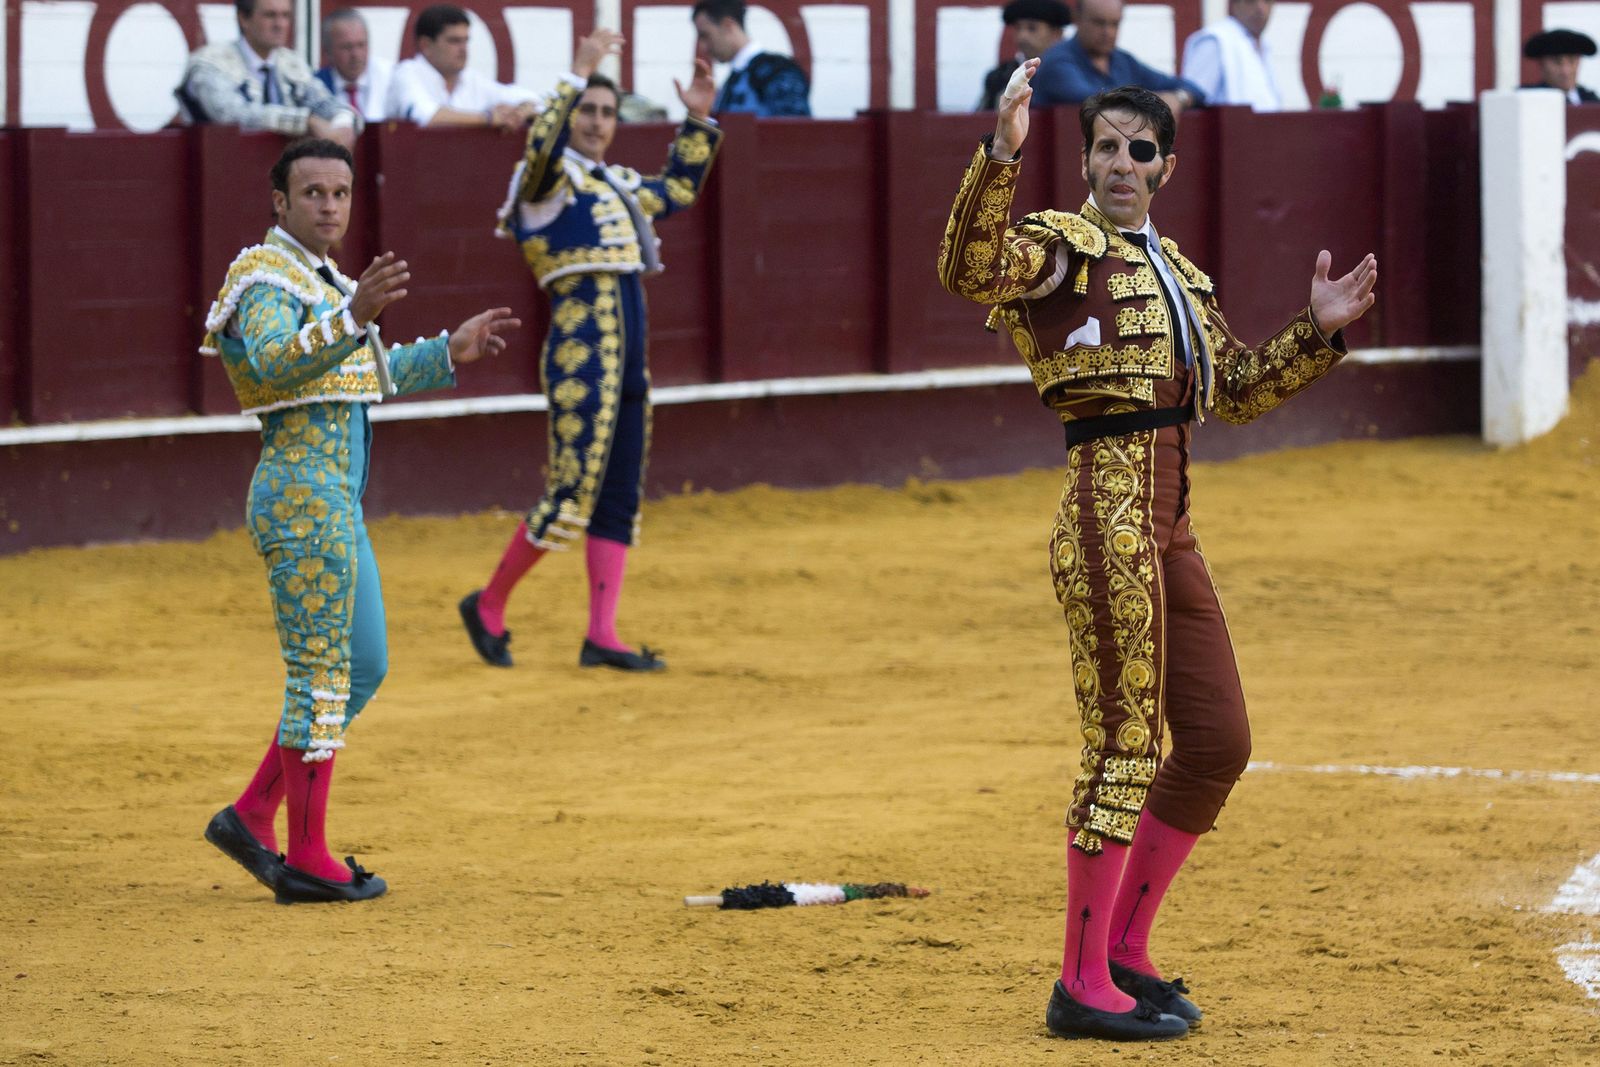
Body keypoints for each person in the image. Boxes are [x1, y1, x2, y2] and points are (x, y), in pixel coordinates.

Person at [937, 64, 1376, 1040]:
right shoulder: (1059, 249)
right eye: (1105, 147)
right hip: (1103, 515)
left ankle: (1124, 951)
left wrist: (1318, 331)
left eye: (1140, 149)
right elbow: (968, 268)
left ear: (1165, 167)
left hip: (1170, 524)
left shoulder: (1177, 270)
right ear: (1086, 158)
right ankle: (1077, 980)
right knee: (1124, 745)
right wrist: (1000, 154)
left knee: (1217, 741)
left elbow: (1237, 391)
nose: (1122, 162)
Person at [201, 138, 519, 903]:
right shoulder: (264, 278)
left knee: (362, 666)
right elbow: (276, 362)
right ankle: (306, 854)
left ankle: (252, 813)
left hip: (334, 496)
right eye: (312, 192)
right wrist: (352, 313)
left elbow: (361, 376)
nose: (330, 206)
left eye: (340, 193)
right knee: (320, 673)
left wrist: (449, 349)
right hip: (300, 493)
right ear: (280, 202)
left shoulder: (324, 282)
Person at [459, 30, 722, 673]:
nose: (599, 123)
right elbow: (542, 142)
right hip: (582, 347)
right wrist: (576, 75)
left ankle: (601, 635)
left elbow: (680, 192)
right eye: (589, 111)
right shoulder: (543, 182)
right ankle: (488, 604)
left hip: (630, 347)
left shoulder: (616, 183)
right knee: (571, 488)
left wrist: (696, 118)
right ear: (570, 114)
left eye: (607, 112)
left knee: (619, 491)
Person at [175, 0, 358, 146]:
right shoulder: (209, 63)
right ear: (244, 19)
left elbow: (323, 102)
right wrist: (306, 122)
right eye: (270, 15)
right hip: (221, 173)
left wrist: (342, 122)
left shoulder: (292, 64)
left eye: (285, 15)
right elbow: (232, 114)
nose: (280, 24)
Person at [1031, 0, 1202, 114]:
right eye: (1099, 23)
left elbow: (1196, 90)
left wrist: (1179, 98)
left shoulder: (1123, 61)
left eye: (1115, 24)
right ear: (1077, 19)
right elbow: (1092, 99)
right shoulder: (1057, 60)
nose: (1108, 32)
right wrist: (1158, 101)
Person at [386, 4, 540, 129]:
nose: (463, 48)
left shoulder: (471, 79)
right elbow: (427, 117)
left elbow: (532, 99)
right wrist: (488, 118)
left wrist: (521, 112)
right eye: (454, 41)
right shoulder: (406, 74)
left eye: (465, 40)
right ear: (426, 45)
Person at [692, 0, 811, 117]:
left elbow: (796, 133)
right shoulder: (736, 80)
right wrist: (698, 114)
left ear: (727, 26)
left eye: (705, 35)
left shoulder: (779, 73)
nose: (703, 47)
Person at [1180, 0, 1280, 111]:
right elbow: (1194, 98)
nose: (1260, 8)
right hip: (1229, 127)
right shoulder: (1215, 41)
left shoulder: (1264, 47)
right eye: (1250, 2)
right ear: (1234, 5)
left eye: (1267, 1)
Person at [979, 0, 1072, 111]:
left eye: (1032, 28)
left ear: (1056, 33)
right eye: (1018, 28)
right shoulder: (999, 77)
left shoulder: (1072, 73)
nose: (1022, 36)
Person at [316, 8, 393, 122]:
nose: (356, 54)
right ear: (328, 51)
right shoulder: (316, 85)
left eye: (361, 45)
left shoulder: (390, 77)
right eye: (347, 47)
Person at [1522, 28, 1599, 104]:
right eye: (1557, 62)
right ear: (1542, 64)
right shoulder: (1528, 100)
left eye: (1572, 61)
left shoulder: (1592, 101)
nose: (1565, 71)